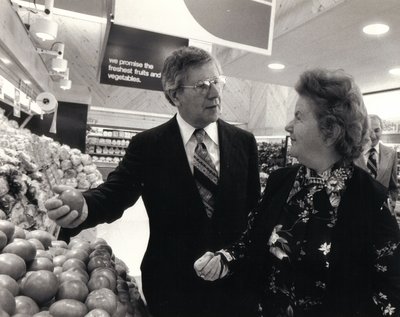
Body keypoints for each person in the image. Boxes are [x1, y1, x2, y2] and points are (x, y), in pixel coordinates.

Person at [45, 46, 261, 317]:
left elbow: (256, 214)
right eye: (203, 85)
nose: (216, 93)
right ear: (175, 94)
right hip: (173, 286)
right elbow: (116, 193)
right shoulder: (149, 145)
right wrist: (84, 206)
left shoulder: (244, 142)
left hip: (234, 286)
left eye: (218, 82)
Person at [195, 68, 400, 317]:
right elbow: (250, 240)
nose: (288, 126)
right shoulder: (281, 181)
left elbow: (389, 293)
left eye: (299, 117)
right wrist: (224, 259)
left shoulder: (371, 200)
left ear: (330, 131)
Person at [355, 114, 398, 214]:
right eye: (369, 131)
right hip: (357, 213)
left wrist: (389, 208)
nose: (373, 135)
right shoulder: (353, 153)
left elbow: (393, 187)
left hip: (382, 213)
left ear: (382, 130)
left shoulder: (391, 153)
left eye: (377, 130)